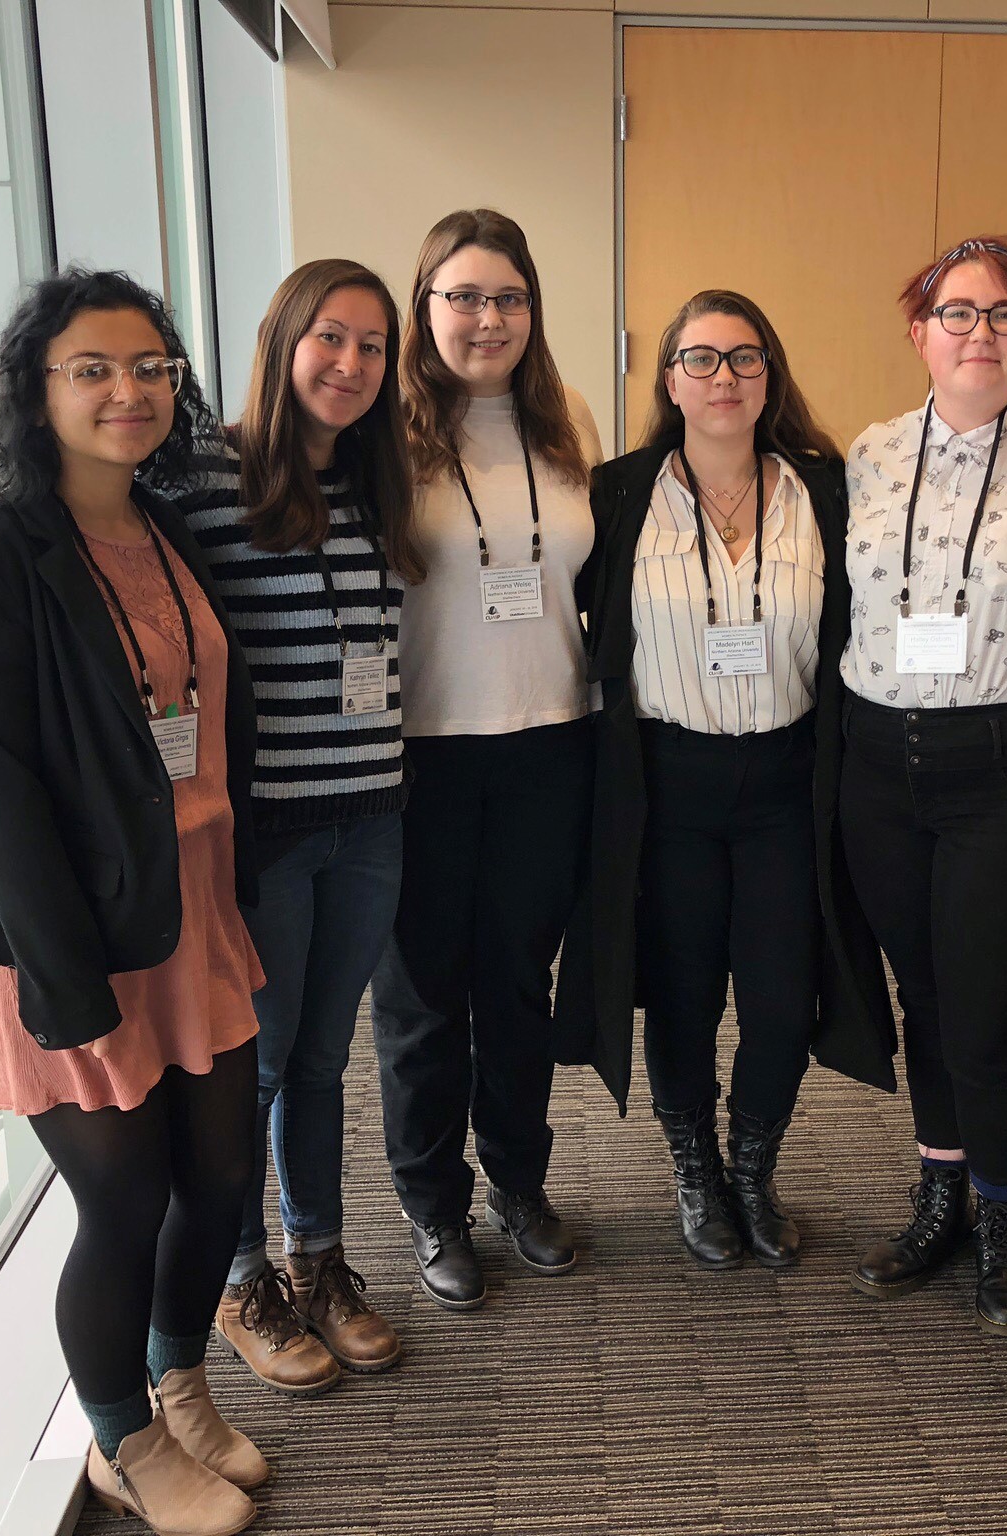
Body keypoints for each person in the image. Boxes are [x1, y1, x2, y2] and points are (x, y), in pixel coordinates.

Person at [0, 270, 264, 1534]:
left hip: (192, 917)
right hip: (67, 937)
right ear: (36, 386)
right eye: (93, 368)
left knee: (222, 1178)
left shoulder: (164, 531)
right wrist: (67, 988)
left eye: (152, 368)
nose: (129, 392)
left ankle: (178, 1383)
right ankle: (118, 1437)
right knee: (123, 1198)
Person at [557, 290, 890, 1269]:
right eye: (699, 360)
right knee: (684, 995)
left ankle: (754, 1165)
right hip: (667, 787)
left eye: (743, 359)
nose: (722, 378)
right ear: (669, 380)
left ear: (769, 376)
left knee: (785, 999)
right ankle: (695, 1168)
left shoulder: (822, 491)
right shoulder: (615, 495)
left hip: (787, 783)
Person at [839, 235, 1007, 1336]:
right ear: (918, 333)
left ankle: (1004, 1223)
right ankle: (939, 1197)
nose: (979, 334)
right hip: (879, 765)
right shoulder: (862, 457)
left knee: (986, 1016)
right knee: (924, 1004)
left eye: (1004, 316)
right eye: (956, 314)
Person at [176, 259, 413, 1394]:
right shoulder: (207, 471)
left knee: (322, 1059)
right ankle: (239, 1279)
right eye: (332, 338)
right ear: (281, 341)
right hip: (266, 831)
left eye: (373, 346)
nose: (351, 364)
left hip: (372, 817)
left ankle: (319, 1259)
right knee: (256, 1069)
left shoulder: (378, 479)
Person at [369, 209, 603, 1310]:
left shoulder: (566, 424)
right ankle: (431, 1206)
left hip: (548, 745)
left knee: (518, 986)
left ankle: (519, 1184)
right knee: (421, 999)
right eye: (461, 296)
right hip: (421, 758)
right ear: (423, 307)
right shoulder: (386, 433)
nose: (486, 318)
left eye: (507, 297)